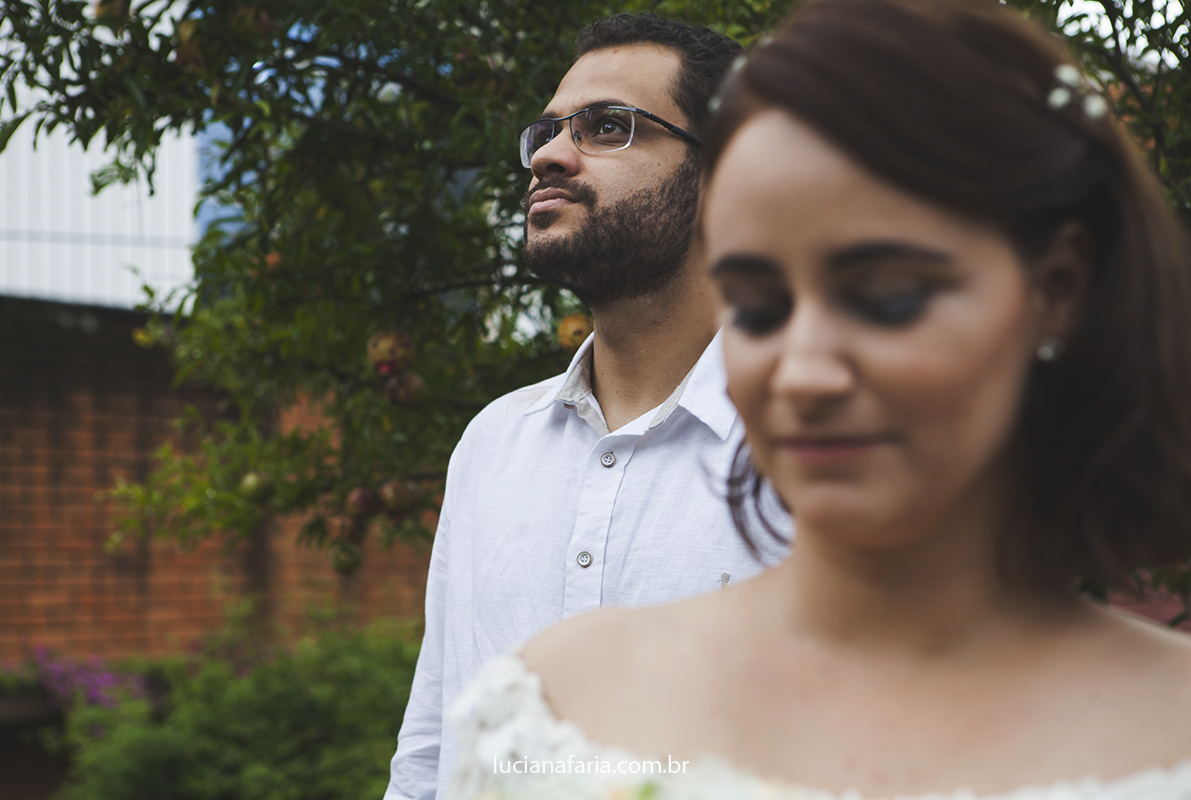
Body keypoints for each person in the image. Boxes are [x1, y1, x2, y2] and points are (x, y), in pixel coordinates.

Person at [447, 0, 1191, 797]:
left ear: (1058, 288)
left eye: (887, 296)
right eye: (758, 306)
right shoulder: (557, 701)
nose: (802, 374)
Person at [385, 15, 790, 800]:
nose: (548, 155)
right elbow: (431, 752)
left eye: (607, 127)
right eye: (548, 131)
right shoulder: (491, 445)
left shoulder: (808, 455)